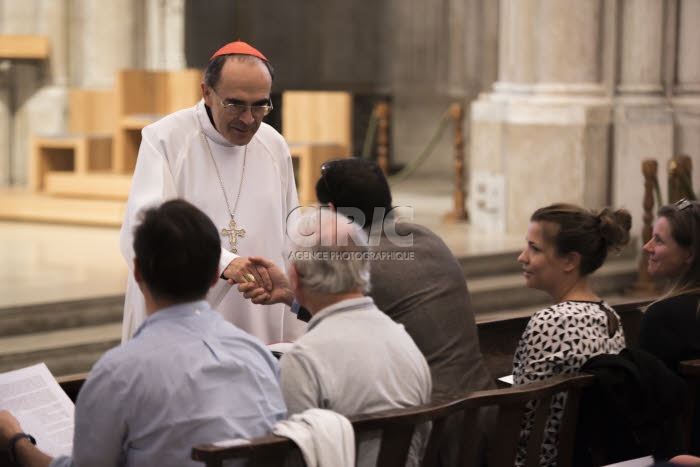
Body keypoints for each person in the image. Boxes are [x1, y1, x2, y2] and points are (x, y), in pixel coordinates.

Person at [240, 158, 495, 465]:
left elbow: (344, 314)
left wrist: (295, 294)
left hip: (435, 432)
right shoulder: (428, 238)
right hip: (487, 415)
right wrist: (292, 296)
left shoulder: (365, 260)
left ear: (332, 211)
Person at [0, 199, 286, 466]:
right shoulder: (258, 357)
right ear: (215, 275)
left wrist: (16, 441)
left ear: (137, 271)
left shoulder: (119, 374)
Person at [119, 40, 306, 344]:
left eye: (260, 105)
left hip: (260, 315)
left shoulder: (273, 145)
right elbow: (145, 231)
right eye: (235, 104)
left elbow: (291, 237)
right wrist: (223, 263)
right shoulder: (166, 140)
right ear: (206, 92)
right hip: (184, 319)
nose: (248, 119)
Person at [280, 209, 432, 467]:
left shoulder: (302, 361)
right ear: (364, 268)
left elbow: (294, 460)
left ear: (294, 278)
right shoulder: (406, 343)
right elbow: (420, 445)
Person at [512, 203, 631, 467]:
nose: (522, 257)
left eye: (535, 248)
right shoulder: (611, 317)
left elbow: (524, 416)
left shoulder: (550, 321)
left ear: (570, 261)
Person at [637, 198, 700, 453]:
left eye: (659, 241)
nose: (646, 246)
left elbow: (643, 406)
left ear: (689, 254)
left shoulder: (662, 316)